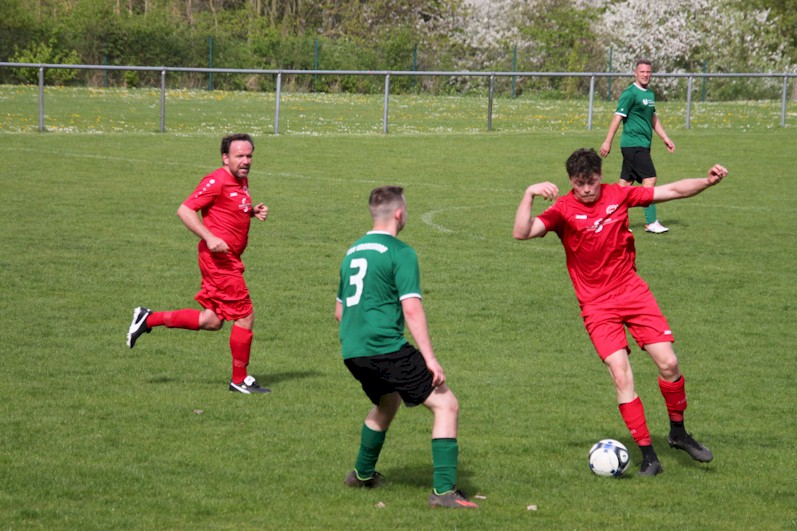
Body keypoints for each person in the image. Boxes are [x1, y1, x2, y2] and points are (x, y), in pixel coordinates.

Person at [513, 148, 726, 476]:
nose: (586, 189)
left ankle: (679, 433)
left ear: (601, 175)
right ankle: (648, 456)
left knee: (669, 364)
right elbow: (522, 232)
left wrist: (707, 182)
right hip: (596, 306)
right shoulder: (563, 210)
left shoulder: (618, 194)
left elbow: (669, 191)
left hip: (632, 292)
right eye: (579, 183)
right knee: (621, 373)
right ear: (571, 181)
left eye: (592, 182)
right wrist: (528, 194)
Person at [335, 186, 477, 508]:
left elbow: (340, 312)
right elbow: (412, 309)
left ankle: (361, 474)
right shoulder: (401, 252)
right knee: (447, 405)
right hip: (384, 348)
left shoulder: (352, 251)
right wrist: (430, 359)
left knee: (387, 401)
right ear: (399, 213)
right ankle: (444, 493)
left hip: (353, 351)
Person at [126, 133, 271, 394]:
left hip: (229, 258)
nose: (246, 161)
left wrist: (251, 211)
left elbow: (230, 207)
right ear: (225, 157)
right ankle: (239, 380)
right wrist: (210, 236)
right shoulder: (216, 180)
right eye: (240, 156)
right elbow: (185, 210)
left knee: (212, 320)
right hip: (219, 262)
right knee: (245, 316)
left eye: (249, 156)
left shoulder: (240, 179)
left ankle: (148, 319)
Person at [600, 59, 674, 234]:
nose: (646, 75)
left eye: (648, 72)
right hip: (633, 145)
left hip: (642, 145)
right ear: (635, 73)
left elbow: (653, 118)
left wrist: (665, 138)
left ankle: (613, 221)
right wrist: (607, 141)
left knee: (624, 185)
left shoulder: (649, 94)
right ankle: (651, 222)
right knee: (650, 179)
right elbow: (617, 117)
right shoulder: (630, 93)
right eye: (642, 72)